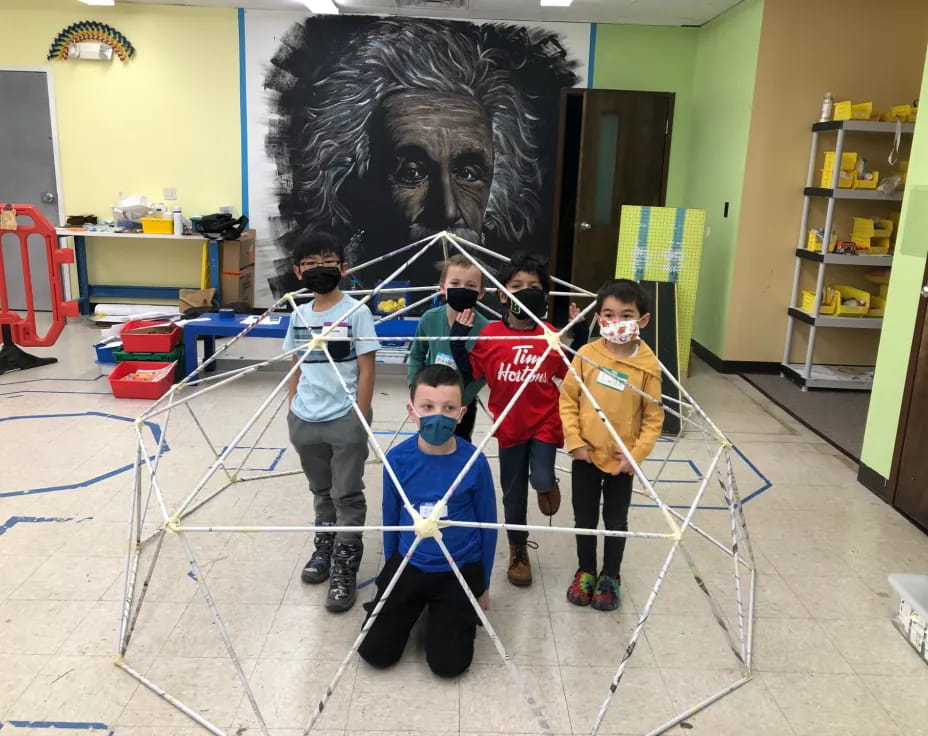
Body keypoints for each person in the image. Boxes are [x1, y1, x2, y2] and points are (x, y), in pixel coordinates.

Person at [264, 18, 578, 295]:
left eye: (468, 173)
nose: (447, 210)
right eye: (412, 172)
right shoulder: (340, 292)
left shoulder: (501, 298)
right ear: (355, 180)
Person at [450, 251, 587, 588]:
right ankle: (518, 549)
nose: (525, 291)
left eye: (534, 286)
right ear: (502, 294)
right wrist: (456, 339)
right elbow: (470, 375)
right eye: (517, 286)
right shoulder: (491, 335)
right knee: (512, 494)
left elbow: (573, 371)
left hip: (544, 421)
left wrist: (580, 332)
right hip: (508, 426)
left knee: (539, 477)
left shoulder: (550, 334)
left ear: (544, 294)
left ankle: (547, 484)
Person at [358, 364, 497, 678]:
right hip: (410, 562)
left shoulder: (474, 462)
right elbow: (391, 519)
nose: (438, 415)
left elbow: (488, 526)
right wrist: (391, 571)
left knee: (448, 665)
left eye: (448, 408)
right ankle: (415, 607)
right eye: (428, 407)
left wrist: (483, 584)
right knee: (375, 652)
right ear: (412, 411)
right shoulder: (397, 459)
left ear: (461, 413)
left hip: (458, 566)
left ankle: (450, 613)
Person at [283, 232, 380, 612]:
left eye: (327, 262)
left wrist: (359, 414)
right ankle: (324, 546)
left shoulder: (356, 312)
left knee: (347, 494)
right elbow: (295, 364)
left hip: (345, 418)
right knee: (321, 491)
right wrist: (293, 408)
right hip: (305, 419)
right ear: (297, 271)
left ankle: (345, 565)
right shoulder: (298, 315)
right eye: (309, 263)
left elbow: (367, 366)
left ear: (343, 267)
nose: (318, 269)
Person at [559, 279, 664, 612]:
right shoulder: (587, 355)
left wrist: (635, 456)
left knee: (616, 521)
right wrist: (575, 443)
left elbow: (653, 417)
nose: (616, 322)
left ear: (642, 321)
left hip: (621, 461)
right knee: (584, 518)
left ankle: (611, 576)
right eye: (608, 314)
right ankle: (586, 570)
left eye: (626, 315)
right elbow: (568, 401)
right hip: (585, 456)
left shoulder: (648, 366)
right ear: (599, 317)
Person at [407, 254, 489, 442]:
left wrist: (464, 399)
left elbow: (483, 373)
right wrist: (414, 387)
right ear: (442, 287)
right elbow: (417, 354)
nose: (462, 289)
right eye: (455, 283)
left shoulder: (485, 329)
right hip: (429, 398)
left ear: (481, 292)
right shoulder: (430, 318)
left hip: (463, 404)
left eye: (470, 286)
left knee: (459, 444)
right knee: (427, 442)